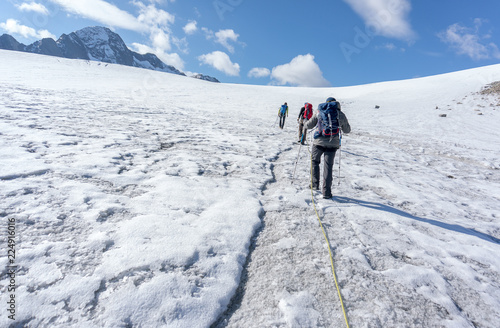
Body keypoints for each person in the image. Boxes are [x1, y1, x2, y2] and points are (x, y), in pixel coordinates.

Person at [303, 97, 351, 199]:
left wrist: (304, 121)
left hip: (318, 142)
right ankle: (326, 192)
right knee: (328, 167)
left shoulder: (319, 112)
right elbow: (347, 130)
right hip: (332, 143)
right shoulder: (340, 114)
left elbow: (308, 126)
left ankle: (314, 185)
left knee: (315, 162)